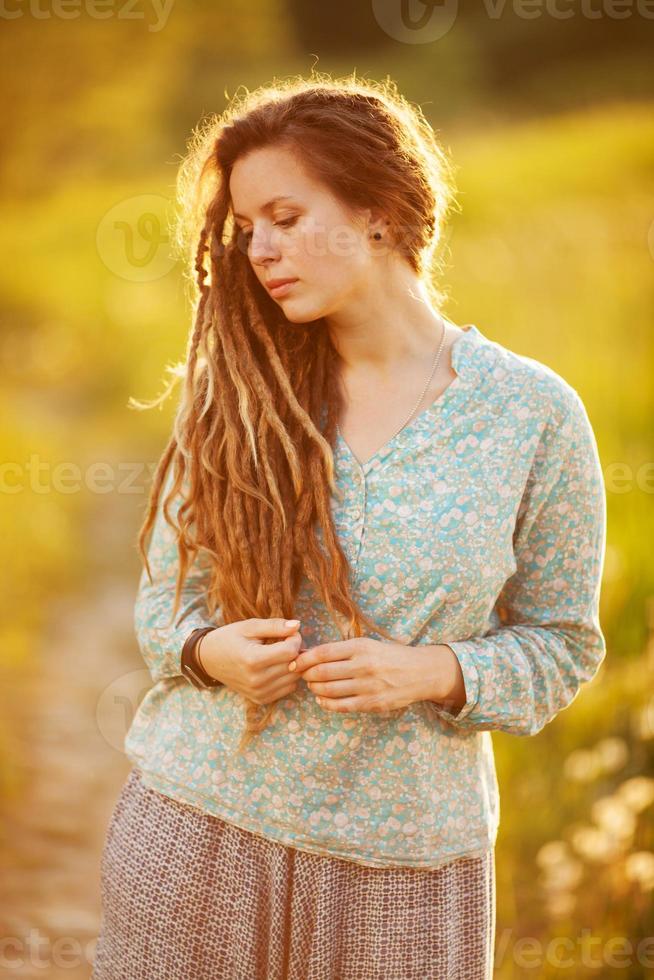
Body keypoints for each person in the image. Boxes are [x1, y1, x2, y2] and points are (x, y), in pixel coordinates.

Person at [91, 72, 607, 980]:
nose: (260, 250)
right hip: (198, 832)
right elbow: (162, 612)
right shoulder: (234, 399)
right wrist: (213, 653)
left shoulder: (532, 415)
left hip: (405, 871)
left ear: (379, 211)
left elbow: (561, 643)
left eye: (285, 217)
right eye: (247, 229)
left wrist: (437, 671)